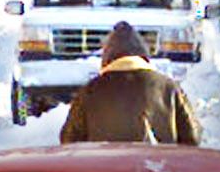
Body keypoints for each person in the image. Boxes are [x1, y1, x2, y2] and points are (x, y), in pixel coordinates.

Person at [60, 20, 200, 145]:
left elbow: (69, 141)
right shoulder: (169, 89)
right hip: (157, 169)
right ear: (144, 56)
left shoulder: (90, 91)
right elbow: (193, 137)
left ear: (107, 59)